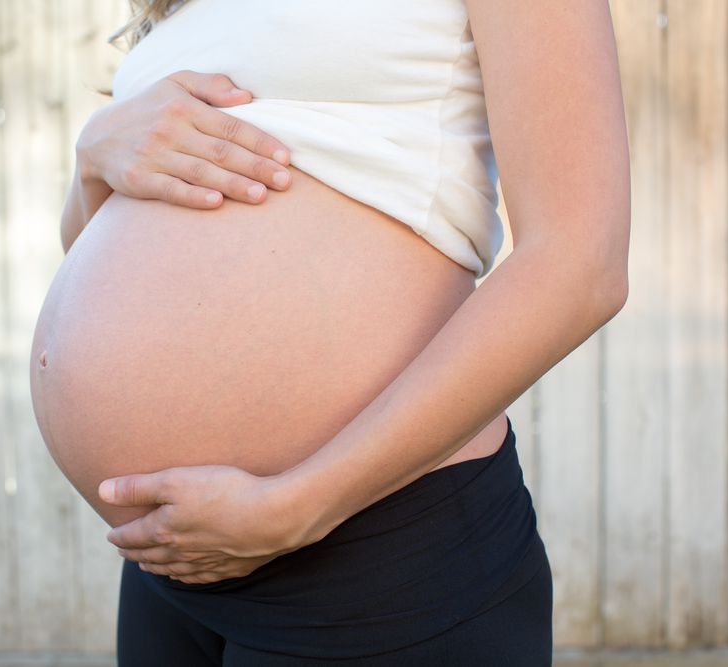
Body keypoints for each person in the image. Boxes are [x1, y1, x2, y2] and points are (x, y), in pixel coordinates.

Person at [56, 0, 630, 664]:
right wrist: (94, 160)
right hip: (172, 567)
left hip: (372, 556)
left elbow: (581, 263)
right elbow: (93, 251)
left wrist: (296, 505)